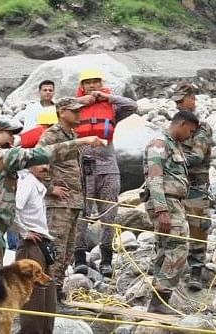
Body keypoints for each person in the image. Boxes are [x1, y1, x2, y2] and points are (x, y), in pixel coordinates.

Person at [0, 118, 105, 271]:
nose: (13, 138)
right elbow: (41, 154)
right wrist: (82, 141)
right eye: (9, 133)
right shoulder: (3, 156)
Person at [75, 69, 137, 277]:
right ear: (82, 86)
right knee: (81, 214)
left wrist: (108, 97)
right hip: (83, 168)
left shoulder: (111, 107)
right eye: (88, 83)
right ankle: (79, 259)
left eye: (96, 82)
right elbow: (61, 106)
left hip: (108, 168)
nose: (93, 86)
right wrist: (83, 101)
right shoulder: (74, 108)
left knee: (109, 214)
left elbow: (132, 105)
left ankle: (106, 259)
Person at [143, 111, 199, 314]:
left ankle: (157, 302)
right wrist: (161, 210)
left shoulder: (175, 146)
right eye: (190, 131)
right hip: (165, 203)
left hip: (173, 203)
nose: (190, 136)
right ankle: (160, 300)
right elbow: (154, 178)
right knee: (178, 249)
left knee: (165, 249)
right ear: (182, 124)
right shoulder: (159, 144)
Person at [36, 97, 87, 296]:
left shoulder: (72, 134)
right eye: (74, 111)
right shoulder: (51, 135)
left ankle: (57, 289)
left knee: (68, 250)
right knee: (56, 248)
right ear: (62, 112)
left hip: (73, 200)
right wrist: (50, 188)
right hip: (59, 203)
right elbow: (37, 162)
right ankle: (49, 293)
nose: (79, 114)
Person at [172, 82, 214, 291]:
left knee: (198, 227)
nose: (180, 105)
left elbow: (197, 156)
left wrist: (171, 161)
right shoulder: (175, 125)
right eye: (177, 102)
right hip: (175, 184)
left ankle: (196, 270)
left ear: (192, 100)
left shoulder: (201, 128)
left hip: (196, 185)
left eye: (183, 101)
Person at [14, 165, 56, 334]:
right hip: (30, 246)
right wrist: (24, 232)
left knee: (48, 298)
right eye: (40, 163)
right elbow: (14, 209)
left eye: (47, 163)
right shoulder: (27, 183)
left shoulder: (39, 185)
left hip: (43, 244)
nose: (45, 167)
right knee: (33, 298)